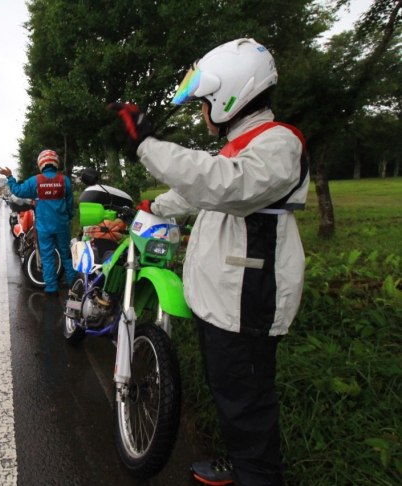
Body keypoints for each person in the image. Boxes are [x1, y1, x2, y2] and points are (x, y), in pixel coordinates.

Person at [110, 38, 309, 486]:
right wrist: (150, 206)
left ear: (228, 97)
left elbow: (223, 185)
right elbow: (194, 191)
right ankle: (240, 464)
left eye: (204, 103)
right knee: (232, 396)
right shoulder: (242, 146)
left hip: (246, 304)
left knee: (248, 406)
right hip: (224, 301)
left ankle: (255, 473)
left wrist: (149, 146)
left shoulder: (279, 143)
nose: (203, 113)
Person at [0, 150, 77, 297]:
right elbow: (70, 205)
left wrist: (10, 177)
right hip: (62, 225)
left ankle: (52, 289)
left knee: (47, 256)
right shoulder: (64, 180)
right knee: (67, 256)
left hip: (44, 227)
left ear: (41, 163)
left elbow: (18, 191)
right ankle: (74, 286)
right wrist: (68, 217)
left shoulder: (36, 181)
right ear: (56, 162)